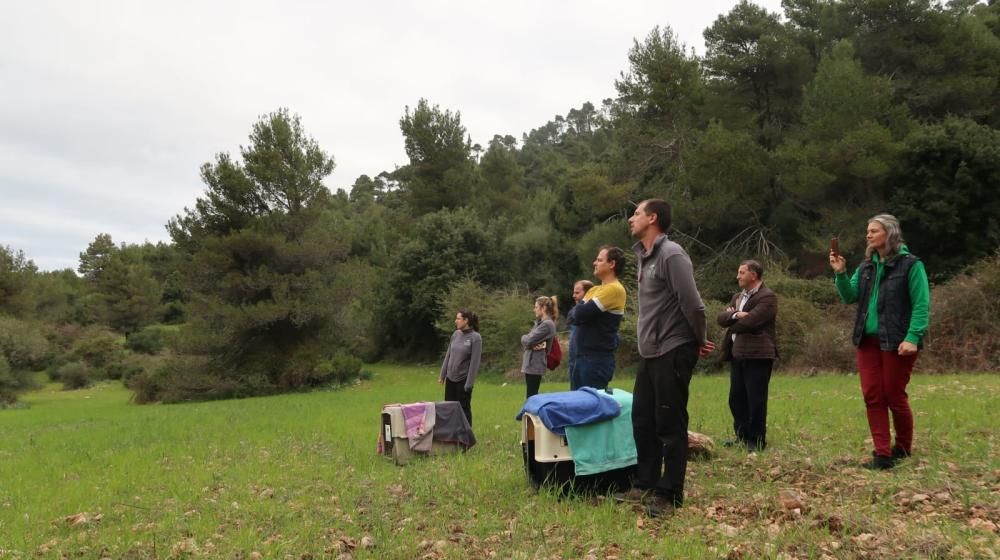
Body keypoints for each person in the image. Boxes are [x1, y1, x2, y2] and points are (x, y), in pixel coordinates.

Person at [618, 198, 715, 517]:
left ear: (653, 218)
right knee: (642, 418)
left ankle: (669, 493)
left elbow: (694, 304)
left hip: (674, 348)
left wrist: (699, 339)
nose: (631, 219)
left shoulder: (672, 254)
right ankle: (645, 482)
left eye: (636, 213)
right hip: (651, 351)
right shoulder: (644, 257)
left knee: (669, 423)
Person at [830, 214, 930, 470]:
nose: (868, 234)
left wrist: (913, 337)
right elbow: (850, 297)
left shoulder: (911, 265)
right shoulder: (865, 267)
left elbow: (921, 304)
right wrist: (840, 274)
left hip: (898, 341)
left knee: (894, 395)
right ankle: (882, 454)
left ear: (890, 233)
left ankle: (904, 448)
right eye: (868, 231)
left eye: (874, 230)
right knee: (873, 395)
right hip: (868, 341)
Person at [717, 260, 778, 452]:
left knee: (756, 399)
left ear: (754, 275)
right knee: (736, 399)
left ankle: (757, 441)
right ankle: (742, 436)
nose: (738, 276)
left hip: (758, 355)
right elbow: (720, 318)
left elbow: (752, 322)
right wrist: (736, 315)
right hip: (737, 354)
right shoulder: (737, 296)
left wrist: (733, 318)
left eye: (741, 272)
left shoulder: (767, 297)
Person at [567, 247, 626, 390]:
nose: (595, 263)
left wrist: (581, 309)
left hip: (596, 360)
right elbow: (572, 317)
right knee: (578, 406)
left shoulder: (614, 289)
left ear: (612, 264)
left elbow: (580, 314)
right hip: (581, 359)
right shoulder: (594, 290)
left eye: (599, 260)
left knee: (590, 407)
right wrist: (581, 310)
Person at [438, 310, 482, 426]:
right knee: (449, 408)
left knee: (463, 409)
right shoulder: (455, 334)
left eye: (458, 318)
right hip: (451, 378)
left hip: (463, 380)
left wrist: (469, 383)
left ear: (466, 320)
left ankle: (466, 438)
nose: (455, 321)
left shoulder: (475, 338)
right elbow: (448, 355)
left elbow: (474, 363)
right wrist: (443, 374)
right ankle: (451, 437)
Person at [520, 296, 558, 399]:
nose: (534, 309)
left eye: (536, 307)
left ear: (543, 308)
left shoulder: (547, 324)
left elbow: (527, 340)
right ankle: (528, 415)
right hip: (530, 363)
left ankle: (531, 415)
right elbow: (529, 341)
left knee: (531, 396)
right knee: (530, 396)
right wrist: (528, 341)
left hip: (535, 364)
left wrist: (525, 339)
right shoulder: (539, 323)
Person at [565, 279, 594, 389]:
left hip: (588, 362)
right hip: (574, 361)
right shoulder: (574, 310)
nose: (573, 296)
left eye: (577, 293)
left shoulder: (593, 311)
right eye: (573, 292)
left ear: (588, 293)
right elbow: (572, 318)